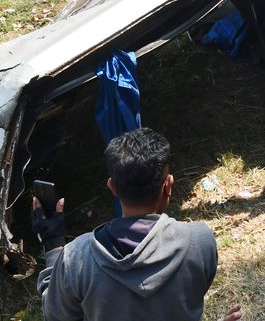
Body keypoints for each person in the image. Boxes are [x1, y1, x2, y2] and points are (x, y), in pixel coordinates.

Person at [32, 128, 240, 321]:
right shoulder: (199, 242)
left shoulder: (76, 258)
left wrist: (53, 245)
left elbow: (55, 314)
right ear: (168, 186)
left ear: (112, 187)